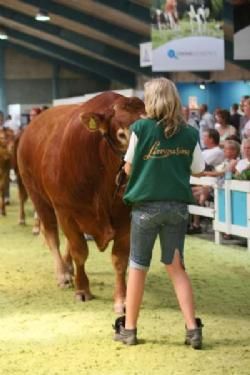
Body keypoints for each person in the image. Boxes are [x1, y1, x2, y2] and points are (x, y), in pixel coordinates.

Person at [113, 77, 205, 349]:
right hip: (176, 208)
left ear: (150, 100)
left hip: (145, 209)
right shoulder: (189, 133)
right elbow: (198, 169)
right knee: (176, 268)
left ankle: (129, 330)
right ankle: (192, 329)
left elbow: (127, 169)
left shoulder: (140, 128)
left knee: (138, 267)